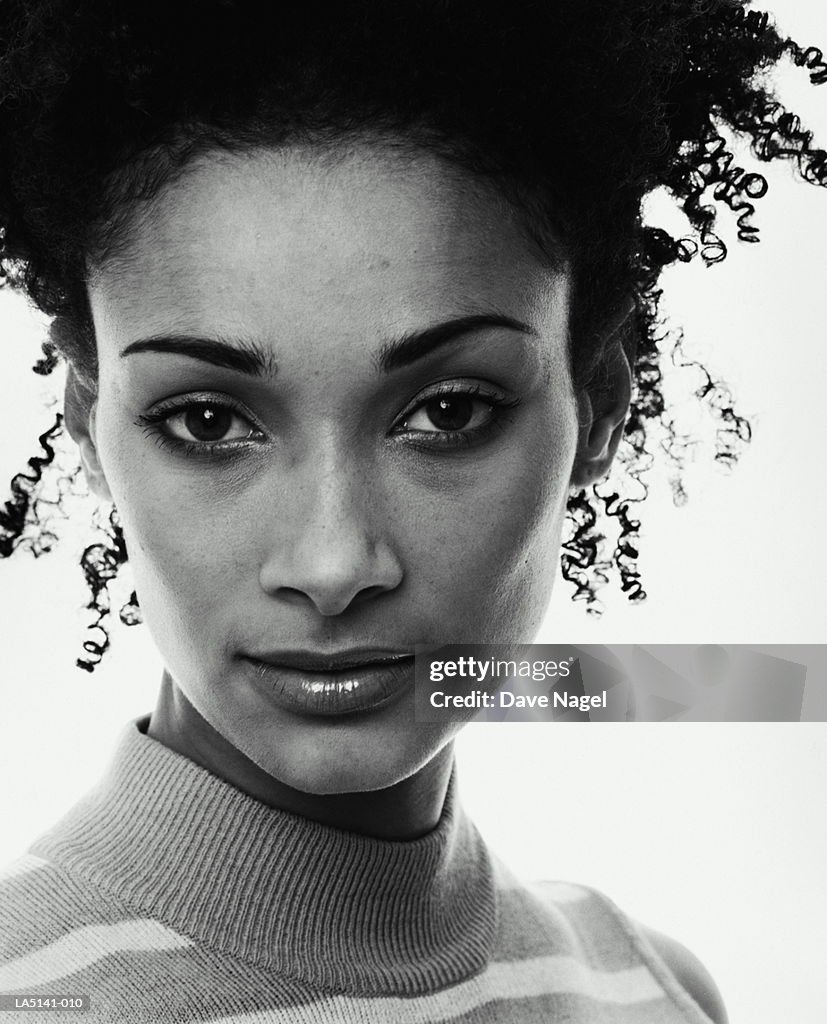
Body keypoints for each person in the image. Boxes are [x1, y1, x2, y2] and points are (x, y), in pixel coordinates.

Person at [0, 1, 823, 1021]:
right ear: (88, 428)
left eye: (444, 410)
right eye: (209, 420)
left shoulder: (646, 990)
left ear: (598, 408)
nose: (334, 563)